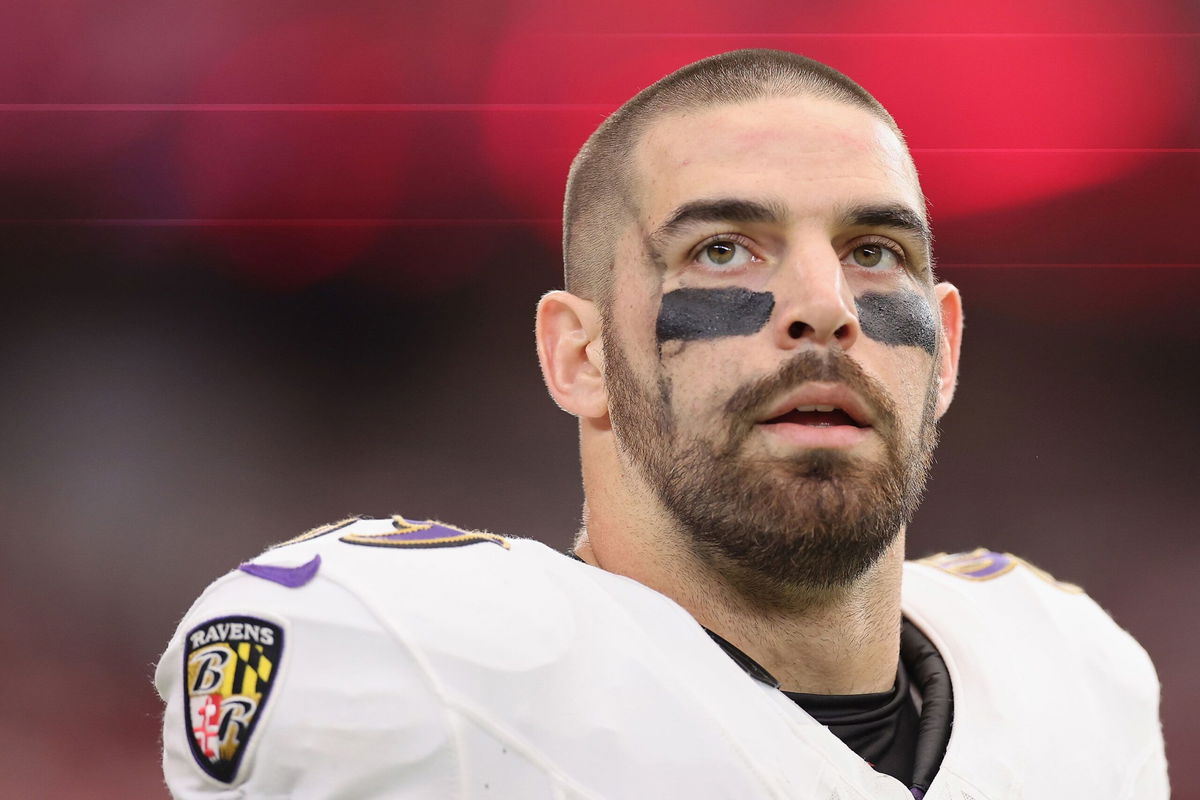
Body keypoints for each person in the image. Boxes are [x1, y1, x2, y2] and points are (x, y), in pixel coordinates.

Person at [156, 49, 1168, 799]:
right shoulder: (415, 662)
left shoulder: (1073, 678)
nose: (825, 304)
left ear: (943, 350)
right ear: (578, 357)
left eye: (875, 250)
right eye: (725, 250)